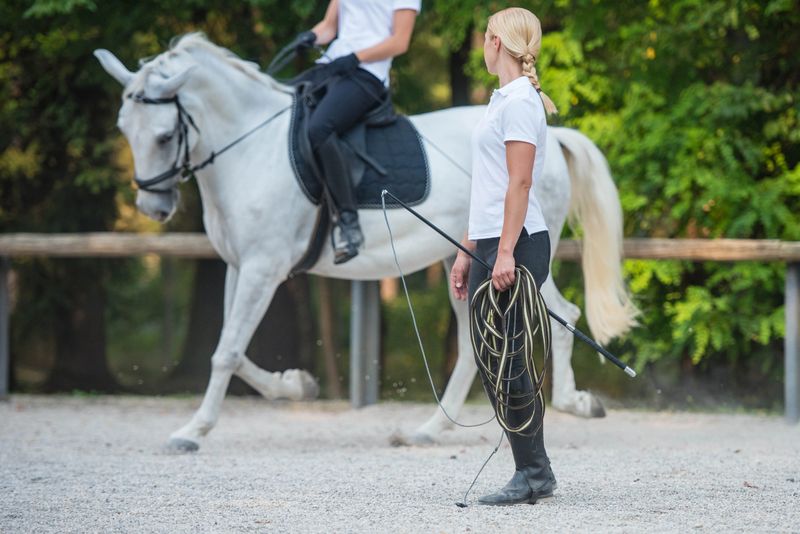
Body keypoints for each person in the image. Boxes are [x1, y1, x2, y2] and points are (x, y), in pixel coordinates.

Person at [449, 7, 559, 506]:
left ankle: (533, 474)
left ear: (496, 42)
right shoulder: (501, 100)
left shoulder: (519, 103)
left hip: (519, 243)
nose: (480, 46)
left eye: (483, 37)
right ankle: (534, 471)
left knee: (507, 356)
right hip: (492, 243)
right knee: (493, 356)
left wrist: (507, 252)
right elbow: (489, 188)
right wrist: (466, 250)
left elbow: (519, 182)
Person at [291, 0, 420, 264]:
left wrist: (357, 57)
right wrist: (311, 37)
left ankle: (349, 223)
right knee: (285, 109)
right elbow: (329, 26)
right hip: (334, 64)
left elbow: (400, 41)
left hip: (367, 74)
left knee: (319, 128)